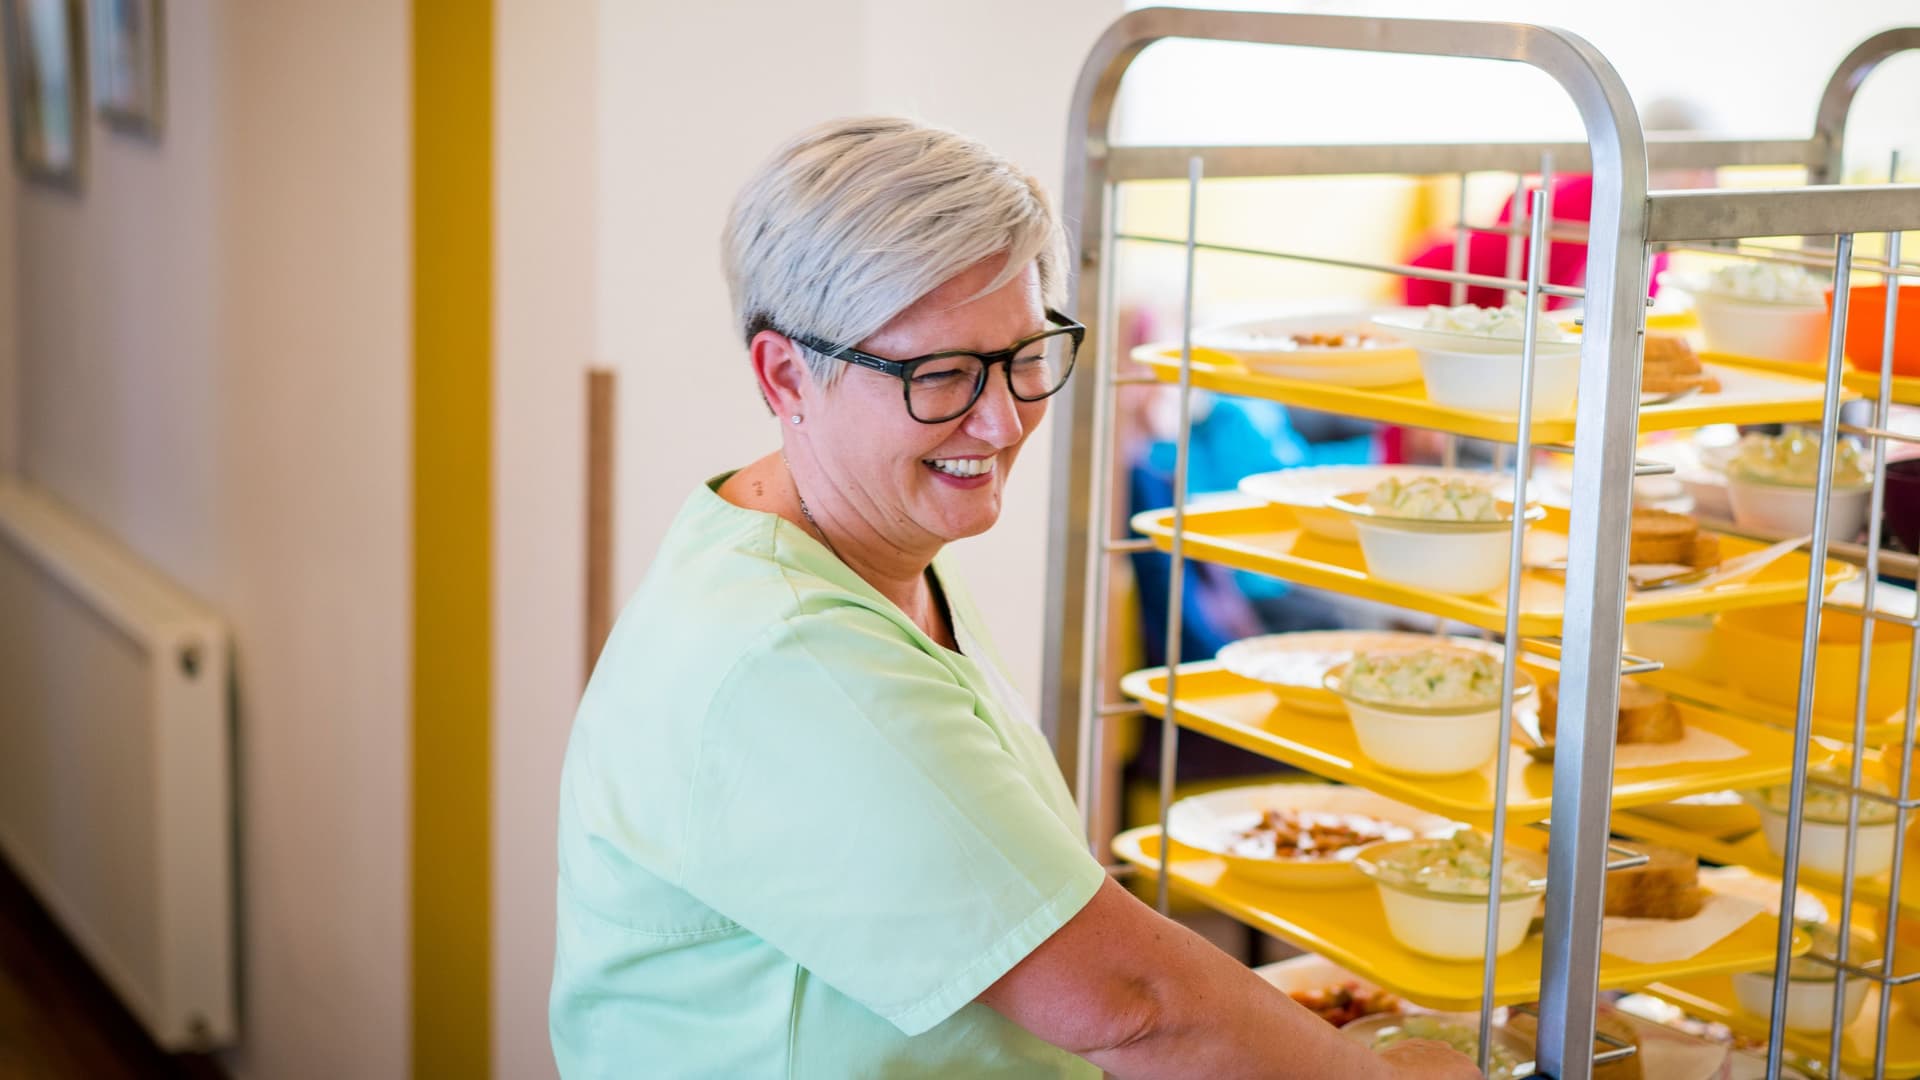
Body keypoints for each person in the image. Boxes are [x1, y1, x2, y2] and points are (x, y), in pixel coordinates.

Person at [548, 117, 1481, 1079]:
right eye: (941, 373)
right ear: (786, 373)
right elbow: (1135, 1006)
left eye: (1024, 358)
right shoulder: (790, 658)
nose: (999, 422)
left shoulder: (871, 550)